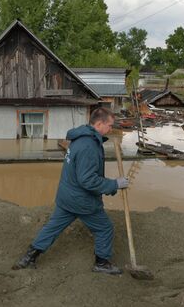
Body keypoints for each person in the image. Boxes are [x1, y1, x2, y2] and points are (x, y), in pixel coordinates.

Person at [13, 107, 128, 274]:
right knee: (105, 228)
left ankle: (28, 258)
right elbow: (87, 180)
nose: (111, 129)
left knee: (52, 227)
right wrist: (114, 184)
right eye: (110, 125)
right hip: (82, 200)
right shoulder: (89, 145)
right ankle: (101, 264)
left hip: (67, 196)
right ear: (99, 123)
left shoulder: (79, 138)